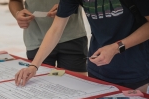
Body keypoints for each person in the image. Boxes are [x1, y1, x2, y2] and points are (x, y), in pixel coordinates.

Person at [14, 0, 149, 93]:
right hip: (98, 67)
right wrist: (34, 65)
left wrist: (116, 47)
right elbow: (56, 28)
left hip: (134, 66)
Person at [9, 0, 88, 76]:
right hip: (36, 38)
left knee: (76, 83)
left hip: (72, 35)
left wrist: (66, 6)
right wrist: (18, 13)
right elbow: (14, 1)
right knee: (40, 84)